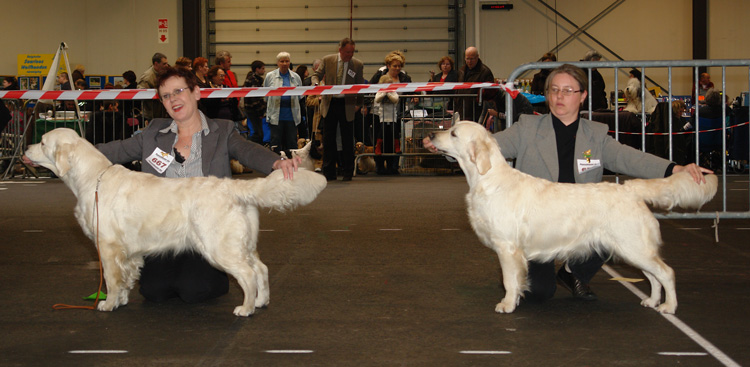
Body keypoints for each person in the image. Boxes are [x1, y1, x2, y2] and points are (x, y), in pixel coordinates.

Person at [423, 64, 711, 304]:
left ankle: (574, 273)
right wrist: (446, 147)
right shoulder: (528, 128)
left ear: (583, 96)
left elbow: (630, 159)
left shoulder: (596, 135)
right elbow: (483, 145)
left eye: (568, 91)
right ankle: (547, 276)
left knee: (608, 222)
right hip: (541, 228)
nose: (559, 96)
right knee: (539, 293)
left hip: (583, 217)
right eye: (554, 90)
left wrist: (676, 168)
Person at [89, 66, 300, 305]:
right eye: (166, 96)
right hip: (164, 234)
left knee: (194, 290)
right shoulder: (153, 133)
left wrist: (276, 162)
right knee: (154, 291)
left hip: (207, 228)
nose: (173, 100)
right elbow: (114, 150)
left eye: (179, 91)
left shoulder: (222, 130)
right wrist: (73, 150)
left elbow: (247, 150)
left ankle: (222, 275)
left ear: (196, 92)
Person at [310, 37, 366, 181]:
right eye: (347, 52)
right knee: (328, 140)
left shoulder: (358, 64)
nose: (350, 55)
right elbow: (316, 75)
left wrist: (359, 104)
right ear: (340, 50)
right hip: (330, 104)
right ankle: (329, 172)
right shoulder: (328, 60)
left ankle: (347, 172)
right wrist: (317, 85)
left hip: (347, 105)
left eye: (352, 52)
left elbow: (360, 86)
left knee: (348, 140)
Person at [373, 52, 411, 175]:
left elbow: (411, 90)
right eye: (395, 66)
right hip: (379, 114)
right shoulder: (381, 76)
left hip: (396, 113)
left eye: (399, 66)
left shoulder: (405, 77)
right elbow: (371, 91)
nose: (397, 68)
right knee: (380, 138)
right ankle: (379, 166)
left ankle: (393, 166)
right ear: (388, 66)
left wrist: (415, 96)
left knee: (394, 139)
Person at [264, 52, 303, 158]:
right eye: (282, 61)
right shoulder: (269, 76)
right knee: (275, 144)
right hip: (276, 117)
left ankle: (293, 168)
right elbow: (266, 96)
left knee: (292, 144)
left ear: (289, 62)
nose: (284, 63)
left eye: (287, 61)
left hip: (292, 117)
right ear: (277, 63)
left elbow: (300, 96)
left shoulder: (296, 77)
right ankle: (274, 166)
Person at [456, 46, 495, 122]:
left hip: (477, 110)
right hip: (462, 108)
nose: (469, 61)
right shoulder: (461, 71)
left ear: (477, 57)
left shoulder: (485, 72)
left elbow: (490, 93)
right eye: (467, 58)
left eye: (472, 59)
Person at [138, 53, 170, 122]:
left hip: (163, 112)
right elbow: (141, 94)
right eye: (164, 64)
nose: (166, 66)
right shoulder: (147, 77)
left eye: (167, 63)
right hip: (152, 114)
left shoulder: (165, 73)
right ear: (156, 64)